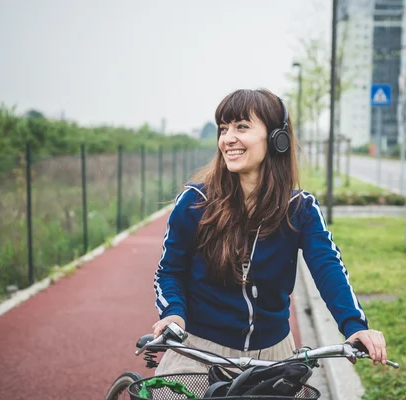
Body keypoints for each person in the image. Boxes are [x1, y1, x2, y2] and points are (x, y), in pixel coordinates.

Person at [152, 88, 387, 375]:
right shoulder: (194, 202)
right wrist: (173, 313)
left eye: (241, 127)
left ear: (277, 139)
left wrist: (355, 326)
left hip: (275, 354)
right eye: (223, 129)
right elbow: (169, 271)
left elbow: (329, 268)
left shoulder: (300, 209)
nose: (228, 138)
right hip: (200, 350)